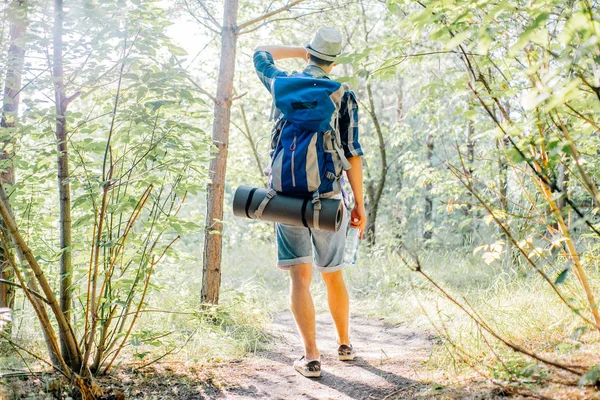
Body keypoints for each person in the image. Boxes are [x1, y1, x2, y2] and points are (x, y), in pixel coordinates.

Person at [253, 27, 366, 378]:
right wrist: (359, 204)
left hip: (285, 200)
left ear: (311, 53)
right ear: (333, 60)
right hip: (329, 198)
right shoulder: (342, 94)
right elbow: (353, 153)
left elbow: (260, 53)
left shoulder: (282, 84)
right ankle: (345, 346)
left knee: (299, 279)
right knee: (333, 274)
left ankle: (311, 357)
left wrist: (298, 51)